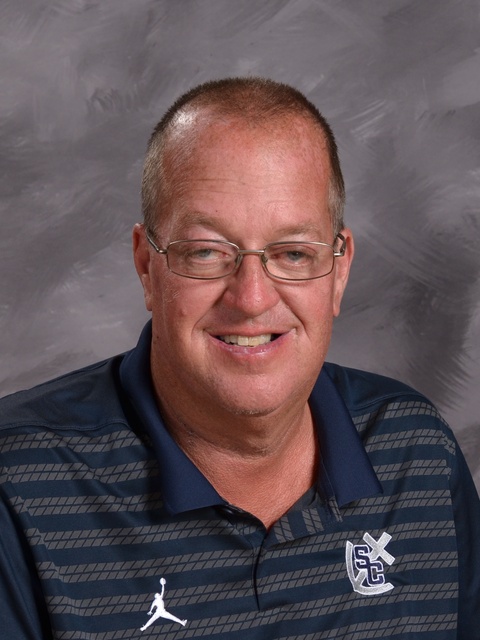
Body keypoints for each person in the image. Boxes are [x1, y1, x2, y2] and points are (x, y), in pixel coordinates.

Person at [0, 77, 478, 639]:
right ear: (147, 267)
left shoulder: (417, 454)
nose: (251, 299)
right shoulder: (20, 485)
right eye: (206, 252)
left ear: (338, 271)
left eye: (293, 253)